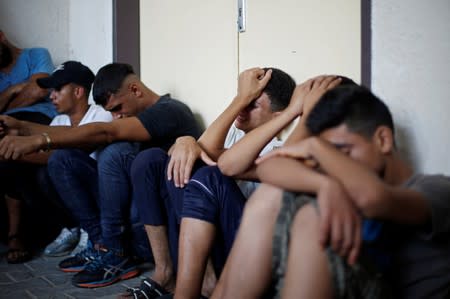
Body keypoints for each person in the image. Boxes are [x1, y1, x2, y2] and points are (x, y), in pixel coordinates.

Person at [211, 84, 450, 299]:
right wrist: (323, 184)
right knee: (272, 193)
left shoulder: (435, 187)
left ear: (383, 140)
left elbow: (374, 199)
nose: (331, 163)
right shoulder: (336, 183)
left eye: (341, 151)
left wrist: (315, 147)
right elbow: (269, 167)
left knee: (314, 217)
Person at [0, 62, 201, 288]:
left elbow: (105, 132)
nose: (116, 117)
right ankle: (101, 245)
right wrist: (22, 127)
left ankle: (115, 251)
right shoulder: (131, 116)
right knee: (63, 159)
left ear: (135, 90)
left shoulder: (169, 110)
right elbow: (74, 134)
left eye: (117, 108)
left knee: (115, 152)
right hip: (133, 217)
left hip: (157, 222)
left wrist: (40, 140)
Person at [122, 67, 296, 299]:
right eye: (241, 97)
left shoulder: (277, 150)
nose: (241, 109)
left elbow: (209, 154)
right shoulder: (234, 135)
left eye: (252, 103)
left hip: (241, 256)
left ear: (278, 117)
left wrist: (191, 143)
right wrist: (185, 141)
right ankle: (165, 273)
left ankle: (206, 284)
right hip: (200, 242)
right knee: (150, 160)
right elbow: (195, 151)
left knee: (206, 175)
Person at [0, 60, 112, 263]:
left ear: (78, 92)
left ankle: (93, 233)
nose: (51, 96)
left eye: (58, 90)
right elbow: (46, 153)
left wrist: (14, 147)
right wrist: (12, 137)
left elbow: (67, 152)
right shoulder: (59, 121)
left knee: (60, 159)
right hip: (75, 192)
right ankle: (72, 226)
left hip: (101, 194)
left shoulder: (102, 115)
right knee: (32, 173)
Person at [0, 29, 57, 122]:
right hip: (6, 124)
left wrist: (4, 107)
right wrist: (11, 90)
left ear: (1, 36)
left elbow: (39, 90)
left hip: (41, 116)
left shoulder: (36, 54)